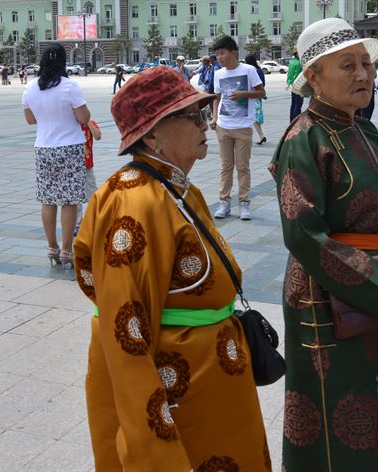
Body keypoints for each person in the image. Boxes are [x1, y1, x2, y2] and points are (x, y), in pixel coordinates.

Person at [73, 66, 269, 471]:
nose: (205, 123)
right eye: (191, 115)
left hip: (208, 385)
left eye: (203, 112)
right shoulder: (135, 201)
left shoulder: (175, 186)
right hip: (179, 393)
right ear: (152, 134)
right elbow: (124, 329)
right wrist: (152, 446)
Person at [271, 17, 378, 472]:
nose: (363, 74)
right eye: (347, 65)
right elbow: (302, 232)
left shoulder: (365, 131)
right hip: (329, 297)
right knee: (340, 411)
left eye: (365, 62)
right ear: (315, 78)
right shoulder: (304, 138)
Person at [21, 43, 90, 267]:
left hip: (43, 147)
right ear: (63, 61)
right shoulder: (70, 86)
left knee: (48, 199)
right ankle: (67, 250)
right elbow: (84, 117)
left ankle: (52, 246)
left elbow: (30, 120)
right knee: (69, 200)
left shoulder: (30, 88)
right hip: (69, 147)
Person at [210, 36, 265, 221]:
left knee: (243, 167)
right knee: (226, 167)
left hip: (243, 127)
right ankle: (224, 203)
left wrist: (243, 94)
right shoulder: (218, 74)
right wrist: (214, 117)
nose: (219, 57)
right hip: (223, 126)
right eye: (217, 54)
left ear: (233, 52)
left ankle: (244, 204)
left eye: (222, 53)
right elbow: (216, 97)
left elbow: (261, 92)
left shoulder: (248, 70)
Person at [75, 119, 101, 235]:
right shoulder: (70, 124)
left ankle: (95, 220)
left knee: (93, 194)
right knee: (75, 197)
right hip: (73, 167)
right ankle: (77, 224)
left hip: (87, 166)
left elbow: (98, 136)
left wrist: (88, 122)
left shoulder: (90, 123)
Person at [245, 54, 267, 145]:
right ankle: (260, 136)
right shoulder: (260, 70)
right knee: (254, 116)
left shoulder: (251, 71)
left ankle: (261, 136)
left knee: (253, 117)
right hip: (258, 95)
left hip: (252, 96)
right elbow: (263, 84)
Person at [286, 49, 304, 121]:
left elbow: (289, 73)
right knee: (298, 104)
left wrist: (289, 82)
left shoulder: (292, 62)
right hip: (298, 85)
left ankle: (292, 120)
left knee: (293, 103)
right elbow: (297, 75)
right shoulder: (299, 63)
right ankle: (296, 120)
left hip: (292, 85)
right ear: (297, 54)